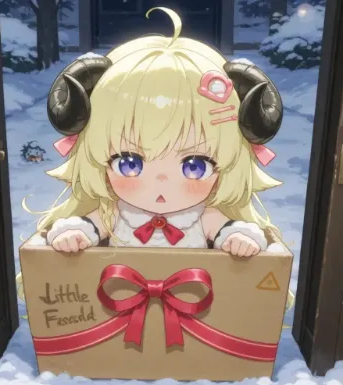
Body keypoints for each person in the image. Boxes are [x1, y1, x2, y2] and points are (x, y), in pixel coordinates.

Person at [33, 7, 284, 258]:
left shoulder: (203, 217)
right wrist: (74, 235)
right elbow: (85, 227)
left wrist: (239, 239)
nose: (161, 181)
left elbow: (232, 231)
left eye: (195, 166)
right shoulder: (115, 214)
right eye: (129, 164)